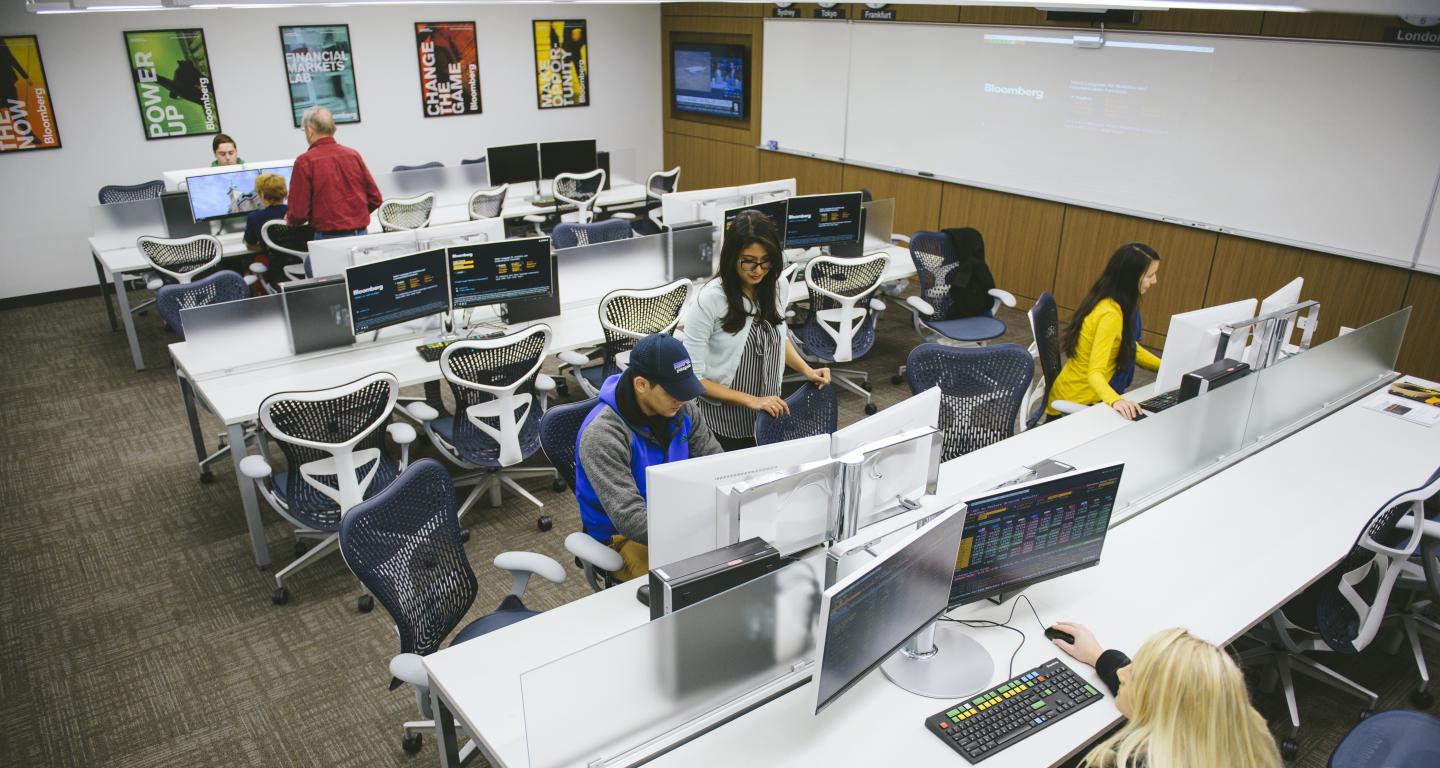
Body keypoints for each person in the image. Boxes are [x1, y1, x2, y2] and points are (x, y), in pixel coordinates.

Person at [574, 333, 724, 581]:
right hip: (622, 537)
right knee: (688, 582)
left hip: (679, 514)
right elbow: (631, 519)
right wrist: (697, 528)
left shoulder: (683, 409)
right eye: (673, 392)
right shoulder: (603, 435)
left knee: (738, 558)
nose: (683, 399)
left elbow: (717, 464)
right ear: (641, 385)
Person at [678, 210, 831, 452]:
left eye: (765, 260)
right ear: (731, 257)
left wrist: (806, 370)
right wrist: (753, 401)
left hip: (769, 414)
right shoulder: (710, 300)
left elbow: (778, 339)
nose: (758, 270)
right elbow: (693, 379)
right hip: (723, 423)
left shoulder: (776, 285)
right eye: (749, 260)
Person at [1050, 623, 1283, 768]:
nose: (1120, 673)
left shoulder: (1131, 762)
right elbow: (1167, 685)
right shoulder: (1233, 723)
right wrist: (1098, 657)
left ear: (1162, 707)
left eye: (1132, 676)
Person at [1046, 243, 1162, 422]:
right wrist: (1116, 401)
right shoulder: (1110, 314)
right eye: (1150, 275)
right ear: (1131, 278)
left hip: (1080, 393)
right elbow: (1095, 373)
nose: (1154, 281)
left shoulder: (1113, 301)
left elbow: (1130, 347)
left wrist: (1165, 366)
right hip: (1074, 403)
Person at [285, 106, 382, 240]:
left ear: (309, 130)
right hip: (361, 236)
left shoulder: (305, 162)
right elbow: (375, 198)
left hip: (328, 240)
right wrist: (355, 217)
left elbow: (298, 214)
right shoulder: (353, 155)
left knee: (308, 261)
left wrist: (289, 219)